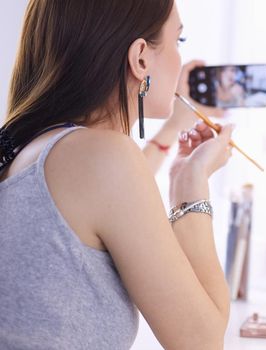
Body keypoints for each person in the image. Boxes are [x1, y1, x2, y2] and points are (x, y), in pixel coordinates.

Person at [0, 1, 232, 349]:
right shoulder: (104, 156)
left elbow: (115, 205)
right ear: (141, 58)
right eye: (178, 42)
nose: (180, 60)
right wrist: (192, 185)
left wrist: (172, 136)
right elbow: (202, 341)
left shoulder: (31, 146)